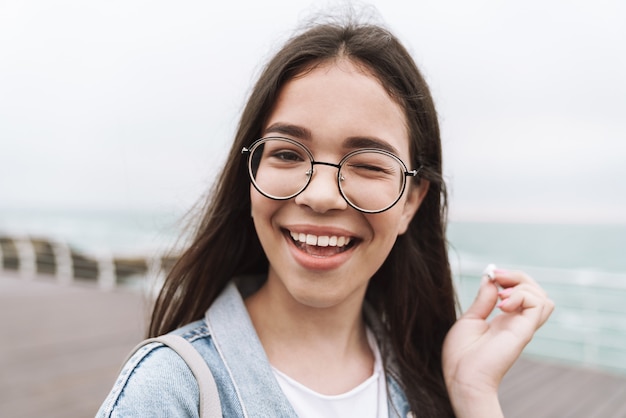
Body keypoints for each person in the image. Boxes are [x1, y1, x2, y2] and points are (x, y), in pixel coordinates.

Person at [97, 17, 553, 418]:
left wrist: (472, 396)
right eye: (288, 153)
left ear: (412, 201)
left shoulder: (427, 381)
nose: (319, 196)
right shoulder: (167, 393)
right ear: (251, 175)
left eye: (369, 164)